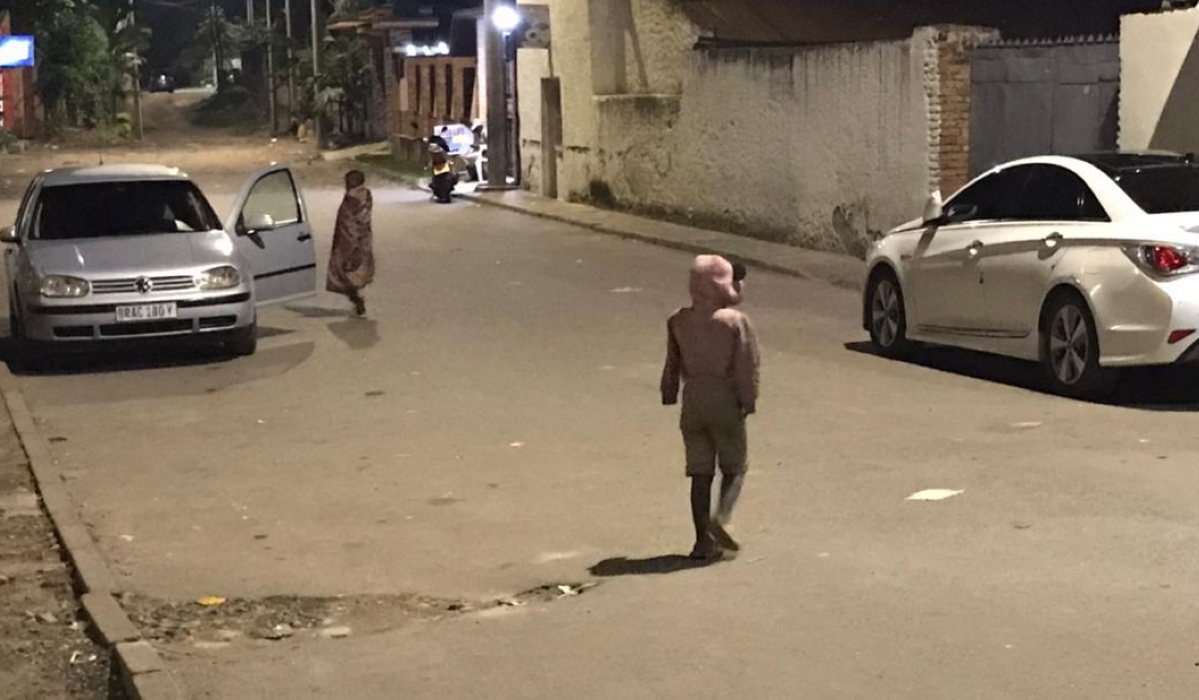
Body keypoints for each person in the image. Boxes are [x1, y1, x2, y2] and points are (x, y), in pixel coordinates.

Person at [661, 255, 759, 561]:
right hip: (724, 399)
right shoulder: (734, 322)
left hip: (693, 403)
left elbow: (672, 363)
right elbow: (747, 366)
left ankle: (702, 542)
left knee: (700, 474)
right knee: (735, 467)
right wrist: (748, 399)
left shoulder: (678, 320)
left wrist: (669, 392)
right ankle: (722, 518)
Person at [326, 170, 375, 316]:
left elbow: (350, 223)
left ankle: (357, 301)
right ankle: (357, 300)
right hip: (363, 241)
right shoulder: (366, 194)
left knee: (345, 275)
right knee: (354, 274)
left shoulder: (352, 199)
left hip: (349, 243)